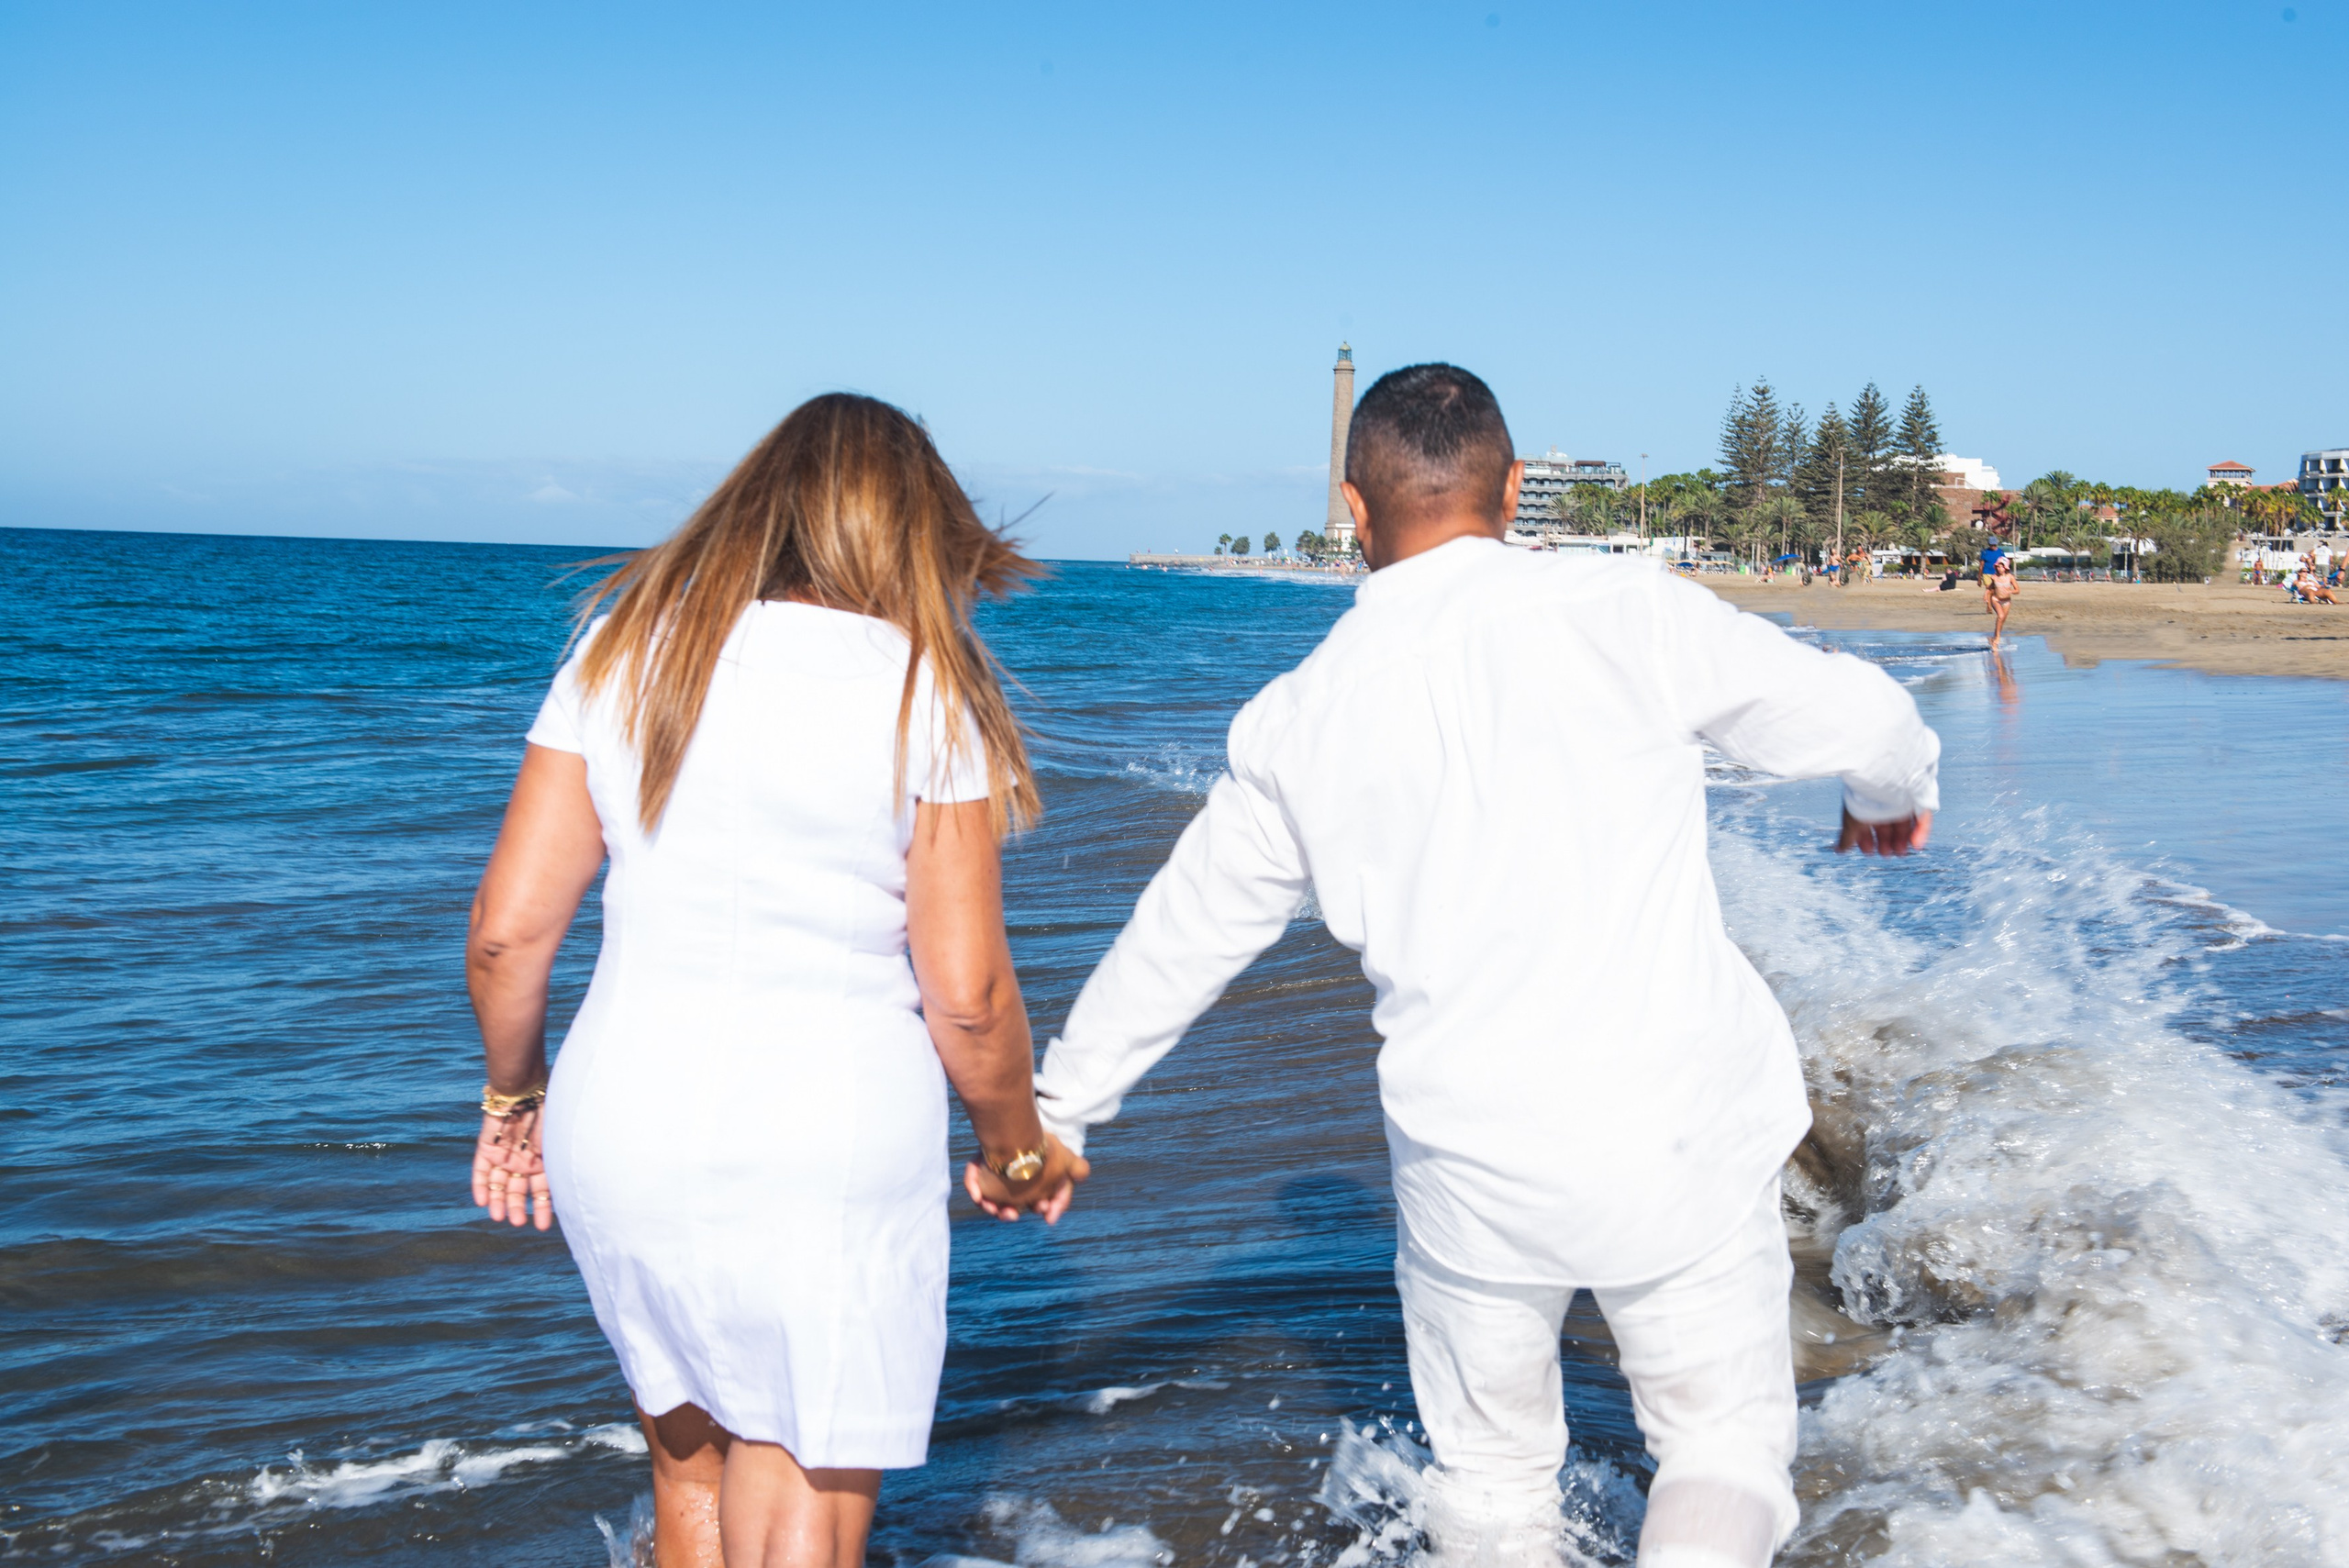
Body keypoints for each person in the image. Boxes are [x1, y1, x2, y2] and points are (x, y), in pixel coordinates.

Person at [1012, 365, 1939, 1568]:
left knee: (1493, 1489)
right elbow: (1868, 723)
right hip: (1676, 1133)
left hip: (1471, 1168)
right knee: (1720, 1454)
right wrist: (1892, 794)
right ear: (1513, 489)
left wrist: (1061, 1110)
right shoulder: (1624, 612)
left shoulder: (1303, 714)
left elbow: (1180, 935)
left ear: (1354, 507)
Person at [464, 394, 1085, 1568]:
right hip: (826, 1126)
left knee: (686, 1454)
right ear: (914, 531)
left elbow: (506, 932)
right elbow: (966, 990)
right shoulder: (920, 684)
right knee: (804, 1468)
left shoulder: (623, 648)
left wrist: (512, 1102)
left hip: (627, 1111)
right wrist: (1014, 1146)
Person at [1987, 556, 2020, 647]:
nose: (1999, 568)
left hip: (2007, 602)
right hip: (1996, 600)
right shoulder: (1994, 577)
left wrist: (2011, 591)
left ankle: (1993, 639)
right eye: (1998, 566)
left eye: (2001, 566)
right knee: (2000, 616)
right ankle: (1997, 638)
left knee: (2001, 621)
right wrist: (1986, 597)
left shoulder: (2010, 577)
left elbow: (2017, 590)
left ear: (2006, 567)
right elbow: (1990, 589)